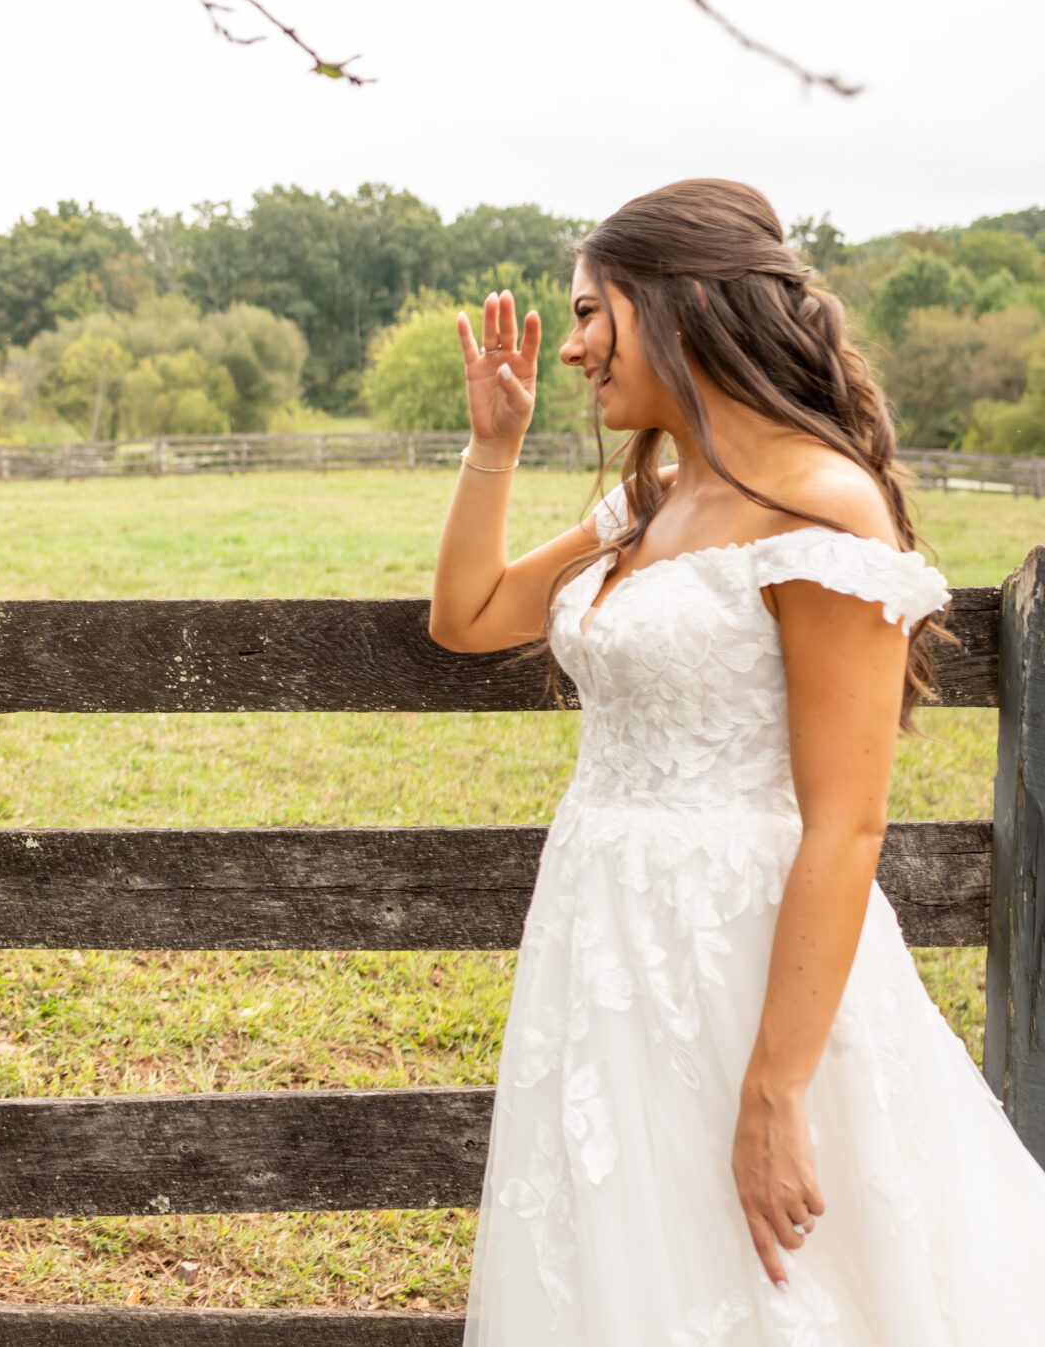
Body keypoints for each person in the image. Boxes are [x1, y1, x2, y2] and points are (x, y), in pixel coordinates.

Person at [430, 179, 1045, 1342]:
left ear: (683, 304)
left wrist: (775, 1086)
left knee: (772, 1288)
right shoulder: (650, 500)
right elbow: (466, 615)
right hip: (599, 930)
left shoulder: (821, 507)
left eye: (590, 312)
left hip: (742, 953)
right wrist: (492, 445)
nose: (572, 349)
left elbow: (845, 823)